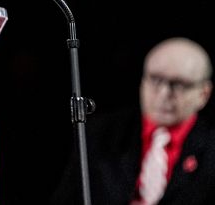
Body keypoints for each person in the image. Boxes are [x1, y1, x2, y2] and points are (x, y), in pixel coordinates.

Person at [51, 37, 215, 204]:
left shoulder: (210, 148)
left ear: (204, 93)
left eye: (179, 84)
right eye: (155, 79)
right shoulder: (101, 133)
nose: (164, 93)